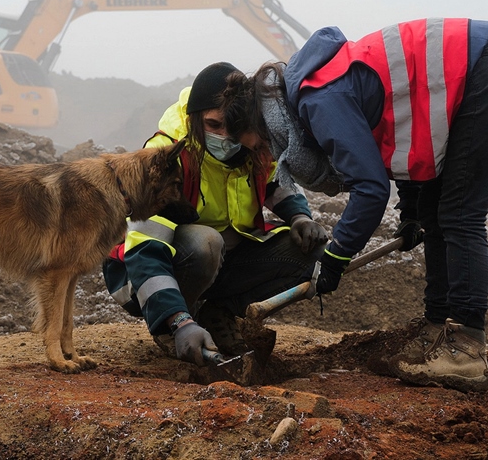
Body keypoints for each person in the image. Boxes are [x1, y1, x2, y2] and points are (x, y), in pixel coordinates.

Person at [221, 18, 488, 393]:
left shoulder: (319, 99)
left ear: (263, 122)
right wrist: (412, 208)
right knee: (434, 216)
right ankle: (435, 333)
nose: (265, 153)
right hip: (462, 83)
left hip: (483, 75)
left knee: (459, 215)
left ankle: (465, 348)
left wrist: (336, 257)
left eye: (258, 145)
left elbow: (369, 188)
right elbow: (400, 132)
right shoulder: (309, 91)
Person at [103, 62, 329, 367]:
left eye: (231, 127)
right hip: (144, 271)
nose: (225, 136)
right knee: (205, 242)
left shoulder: (252, 146)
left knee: (306, 248)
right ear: (196, 119)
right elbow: (145, 249)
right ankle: (176, 324)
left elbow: (275, 183)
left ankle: (218, 312)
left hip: (221, 260)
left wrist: (300, 218)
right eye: (212, 125)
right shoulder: (165, 157)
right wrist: (179, 321)